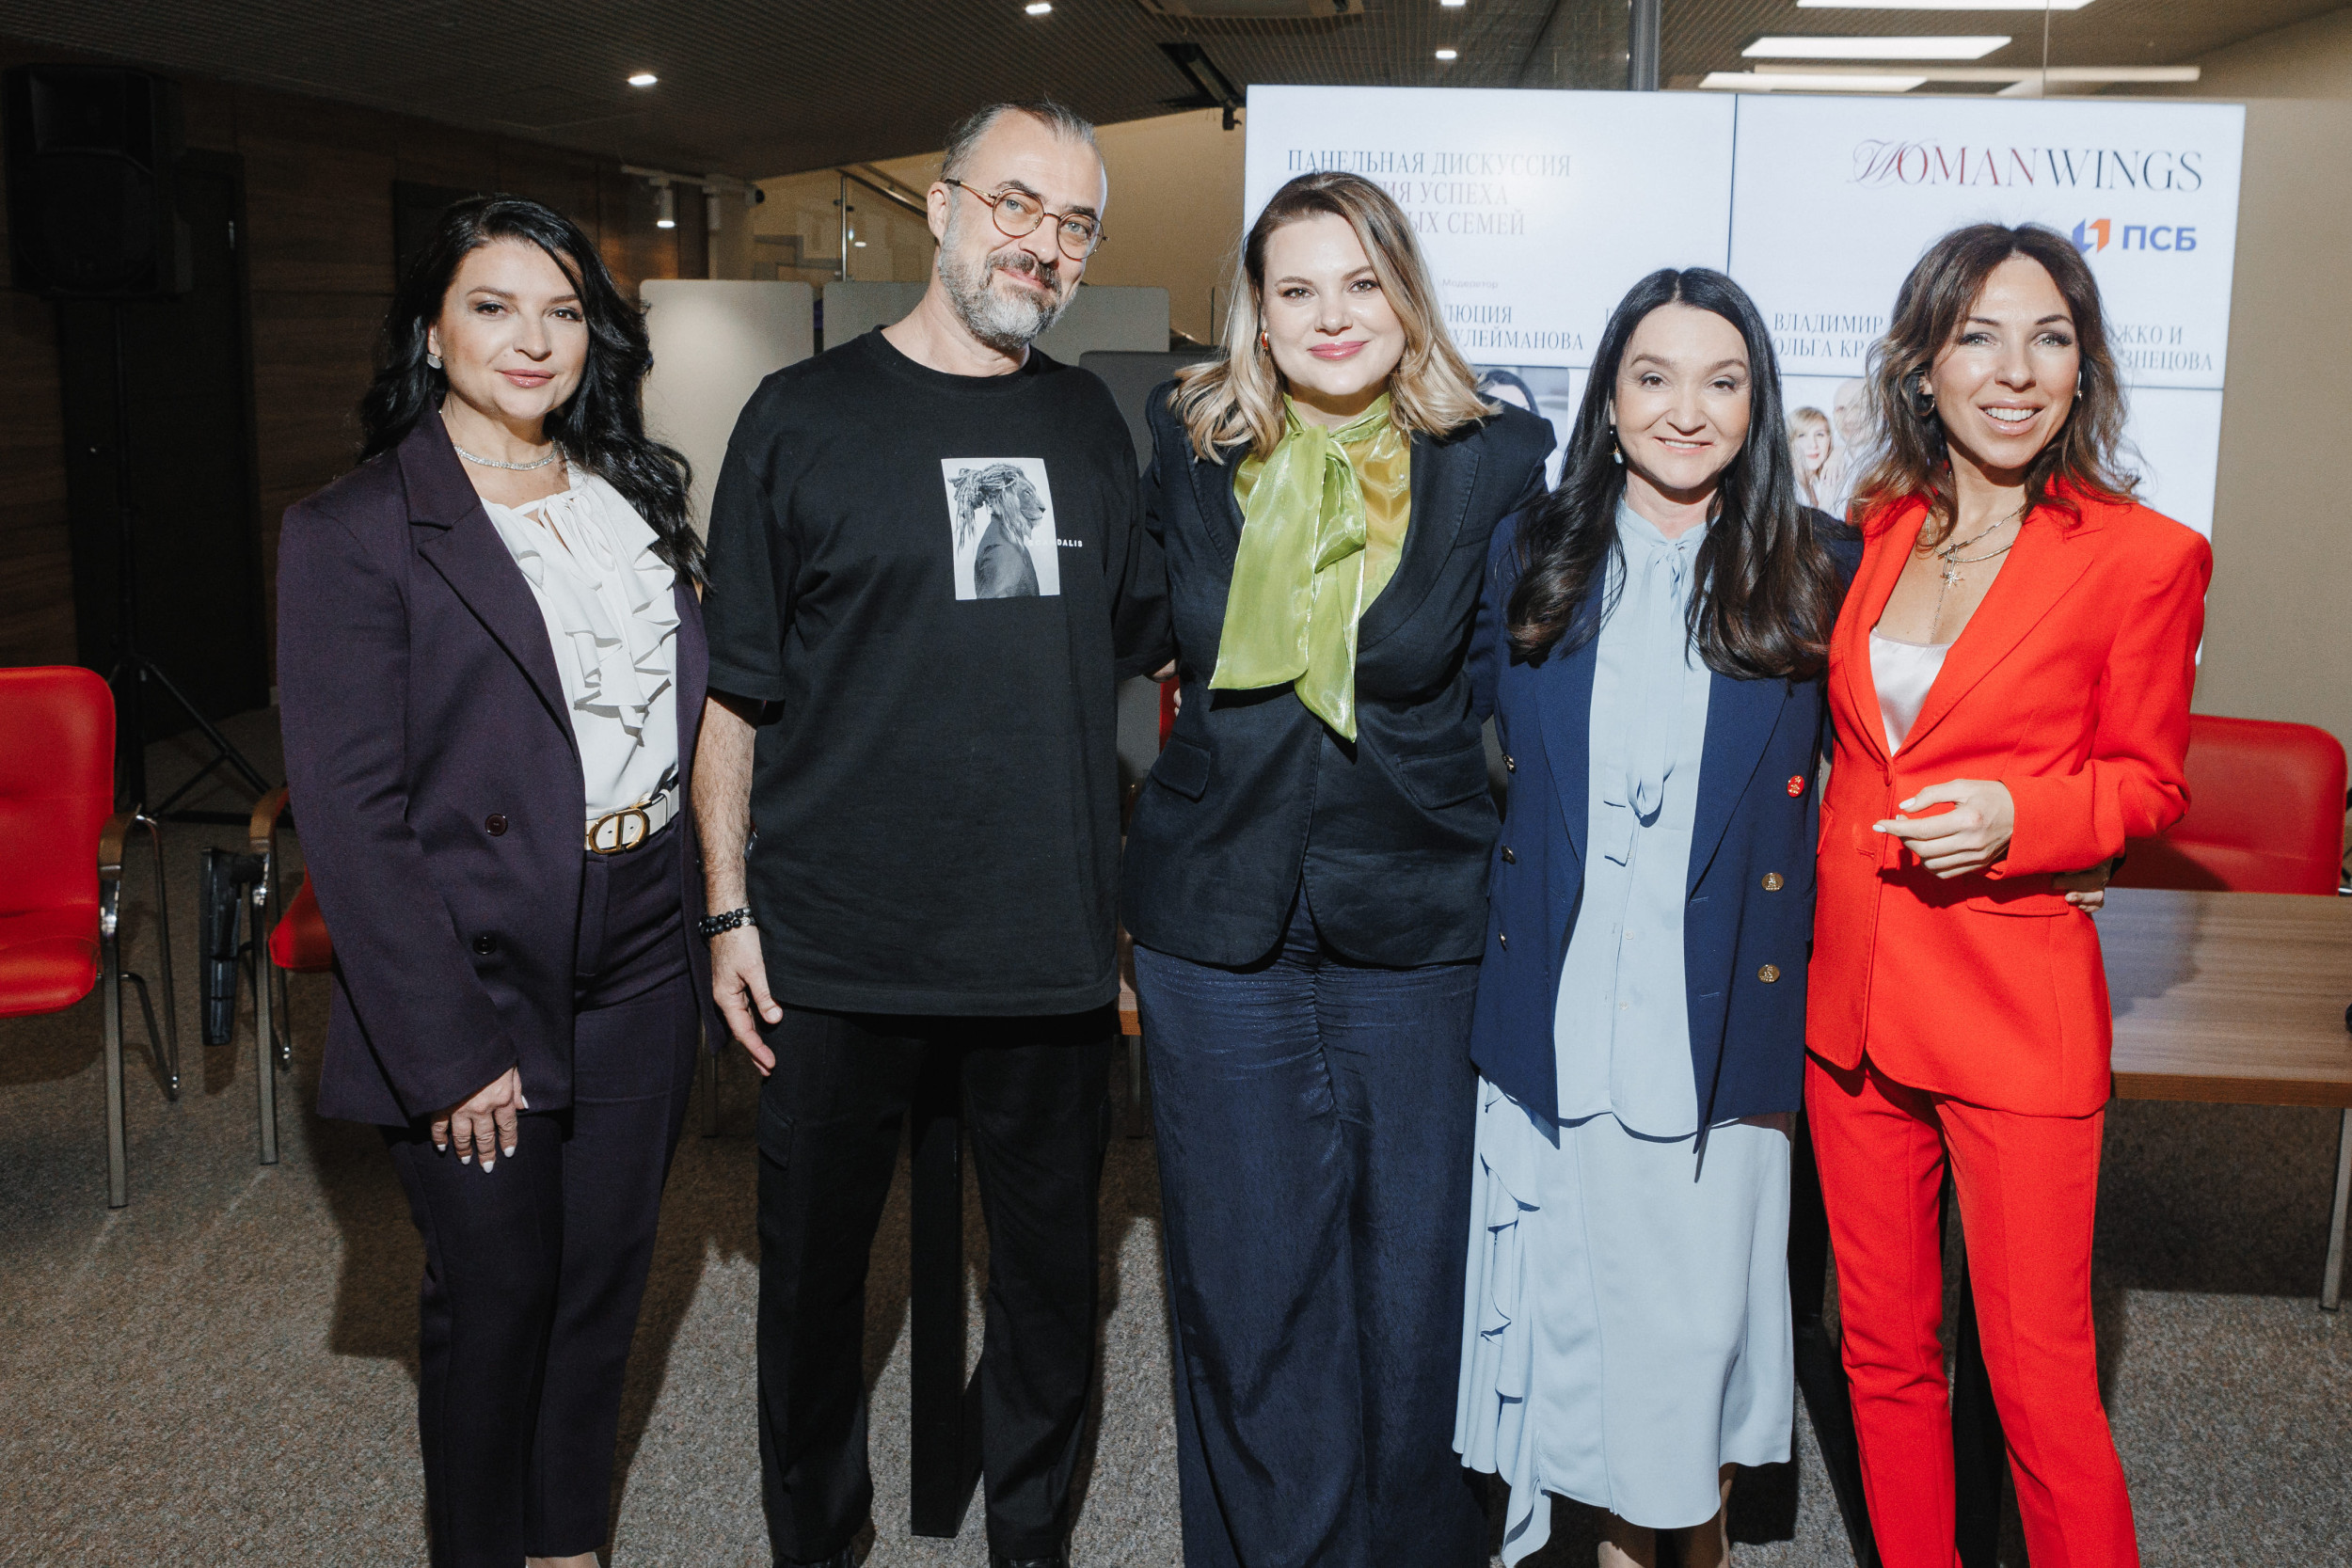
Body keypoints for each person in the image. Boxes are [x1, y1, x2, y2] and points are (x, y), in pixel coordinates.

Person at [693, 101, 1167, 1568]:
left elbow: (1146, 648)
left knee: (1052, 1290)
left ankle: (1032, 1538)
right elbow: (735, 696)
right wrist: (726, 908)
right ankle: (817, 1541)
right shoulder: (797, 417)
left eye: (1075, 224)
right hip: (836, 946)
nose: (1045, 243)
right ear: (944, 207)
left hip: (1042, 951)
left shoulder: (1088, 424)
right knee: (809, 1293)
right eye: (1018, 204)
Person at [1120, 169, 1553, 1568]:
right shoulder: (1189, 440)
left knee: (1415, 1286)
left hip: (1419, 914)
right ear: (1256, 309)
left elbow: (1523, 683)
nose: (1331, 315)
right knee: (1247, 1284)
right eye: (1296, 287)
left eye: (1361, 282)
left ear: (1406, 294)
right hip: (1213, 919)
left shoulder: (1497, 455)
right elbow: (1135, 629)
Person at [277, 196, 710, 1568]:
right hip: (473, 962)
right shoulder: (354, 528)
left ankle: (568, 1544)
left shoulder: (628, 498)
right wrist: (449, 1046)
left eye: (564, 310)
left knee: (601, 1283)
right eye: (492, 305)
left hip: (643, 932)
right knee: (498, 1294)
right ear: (429, 330)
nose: (534, 339)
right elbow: (351, 816)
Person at [1805, 222, 2210, 1566]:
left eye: (2049, 338)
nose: (2015, 371)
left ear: (2082, 366)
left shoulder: (2143, 556)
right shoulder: (1876, 530)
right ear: (1923, 364)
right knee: (1883, 1353)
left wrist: (2021, 817)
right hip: (1853, 1008)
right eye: (1977, 336)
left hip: (2013, 1007)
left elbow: (2149, 782)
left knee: (2039, 1382)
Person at [1454, 268, 1856, 1568]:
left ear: (1757, 403)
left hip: (1718, 1026)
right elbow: (1458, 739)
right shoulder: (1532, 551)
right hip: (1558, 1013)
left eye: (1722, 380)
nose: (1688, 409)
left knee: (1691, 1349)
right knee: (1572, 1334)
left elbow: (1896, 757)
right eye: (1654, 376)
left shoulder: (1819, 565)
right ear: (1610, 397)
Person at [1788, 404, 1834, 508]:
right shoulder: (1782, 487)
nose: (1813, 444)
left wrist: (1837, 455)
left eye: (1819, 434)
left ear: (1829, 440)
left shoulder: (1819, 482)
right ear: (1789, 442)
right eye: (1802, 435)